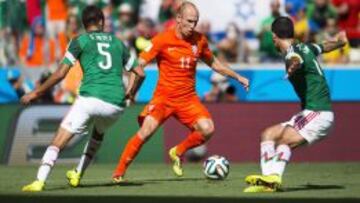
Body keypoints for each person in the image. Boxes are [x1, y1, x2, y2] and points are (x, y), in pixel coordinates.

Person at [112, 1, 249, 182]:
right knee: (146, 131)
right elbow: (138, 65)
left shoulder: (200, 40)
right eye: (189, 21)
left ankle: (177, 151)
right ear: (178, 18)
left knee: (208, 129)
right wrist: (131, 89)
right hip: (163, 98)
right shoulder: (162, 39)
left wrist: (237, 76)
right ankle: (118, 174)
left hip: (188, 99)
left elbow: (214, 63)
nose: (192, 26)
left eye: (195, 22)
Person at [21, 5, 144, 192]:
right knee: (98, 134)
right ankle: (78, 173)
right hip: (116, 104)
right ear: (101, 22)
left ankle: (39, 181)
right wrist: (131, 92)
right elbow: (140, 73)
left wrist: (35, 92)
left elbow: (60, 74)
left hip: (90, 98)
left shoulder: (79, 41)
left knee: (59, 140)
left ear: (84, 24)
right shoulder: (118, 42)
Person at [243, 16, 348, 193]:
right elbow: (323, 46)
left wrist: (293, 66)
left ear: (274, 36)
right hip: (310, 112)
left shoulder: (293, 52)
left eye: (273, 37)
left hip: (319, 112)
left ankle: (274, 177)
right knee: (268, 134)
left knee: (285, 140)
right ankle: (268, 180)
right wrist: (339, 43)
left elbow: (295, 59)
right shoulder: (306, 46)